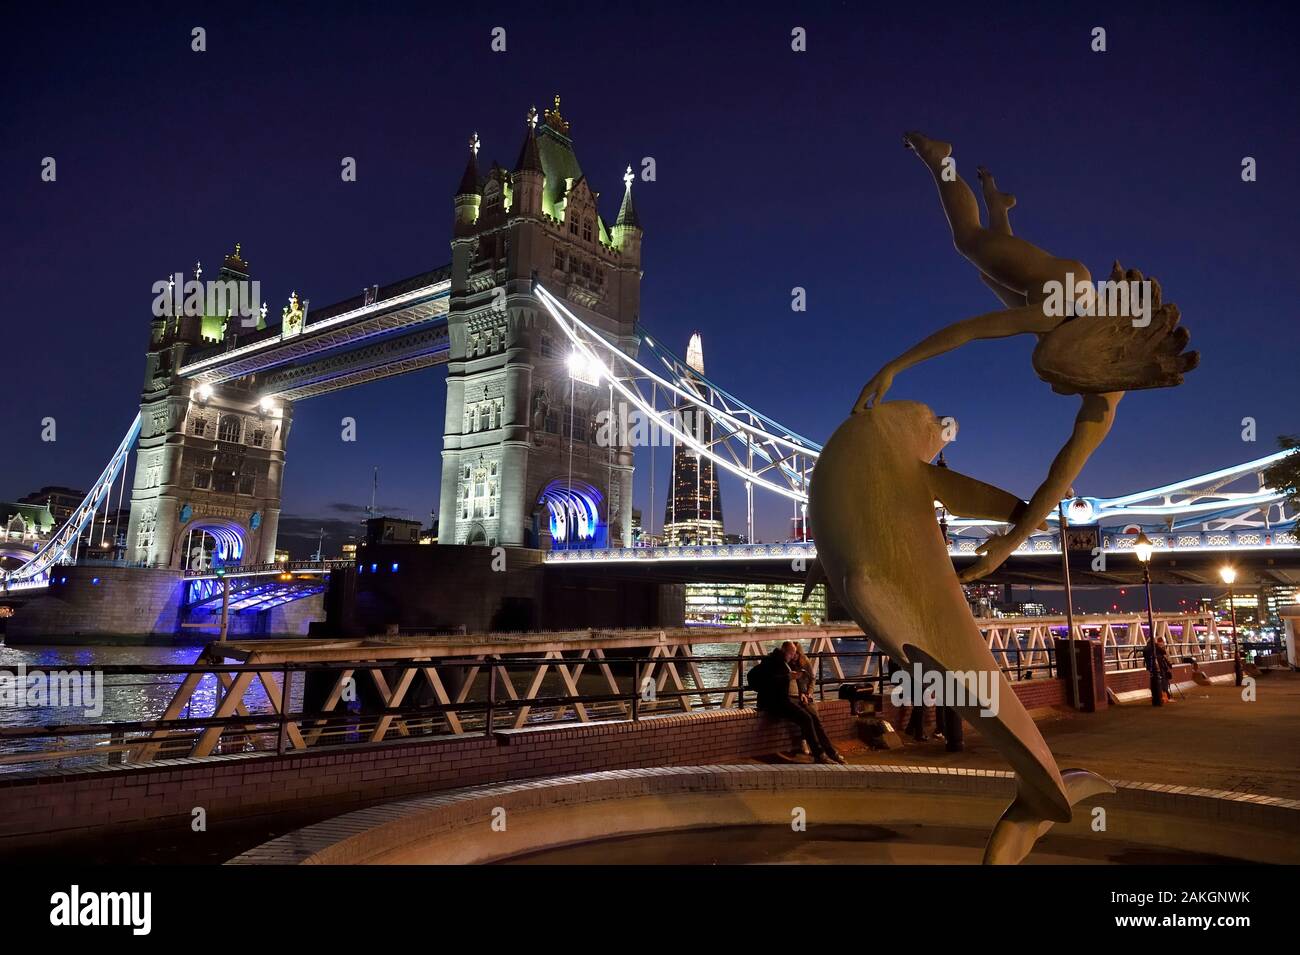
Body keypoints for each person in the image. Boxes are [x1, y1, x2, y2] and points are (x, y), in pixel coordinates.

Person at [856, 133, 1197, 583]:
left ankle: (999, 205)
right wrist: (893, 367)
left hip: (1056, 300)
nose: (1056, 388)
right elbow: (969, 331)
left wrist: (1006, 548)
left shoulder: (1104, 403)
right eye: (1055, 377)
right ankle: (940, 159)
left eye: (1059, 382)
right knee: (970, 242)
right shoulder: (1057, 307)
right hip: (1059, 280)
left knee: (991, 271)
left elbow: (1058, 481)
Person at [754, 641, 845, 764]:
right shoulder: (772, 661)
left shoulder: (785, 661)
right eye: (791, 653)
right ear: (784, 651)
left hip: (790, 698)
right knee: (806, 718)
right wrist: (788, 677)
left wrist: (803, 692)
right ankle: (820, 754)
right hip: (778, 701)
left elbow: (798, 682)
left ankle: (830, 752)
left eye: (794, 653)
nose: (793, 656)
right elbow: (769, 682)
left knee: (813, 717)